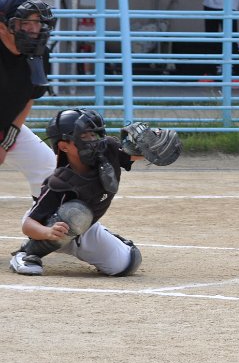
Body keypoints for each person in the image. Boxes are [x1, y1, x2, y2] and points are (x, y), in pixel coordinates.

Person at [9, 109, 181, 276]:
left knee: (128, 262)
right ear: (64, 146)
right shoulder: (60, 182)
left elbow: (132, 154)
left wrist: (150, 146)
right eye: (84, 137)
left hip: (85, 225)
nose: (93, 141)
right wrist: (47, 232)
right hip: (51, 226)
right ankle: (27, 253)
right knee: (76, 213)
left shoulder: (107, 149)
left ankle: (89, 243)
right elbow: (28, 224)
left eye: (93, 135)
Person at [0, 0, 58, 200]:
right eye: (25, 22)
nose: (33, 29)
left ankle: (43, 216)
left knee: (47, 166)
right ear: (2, 27)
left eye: (37, 22)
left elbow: (28, 99)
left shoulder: (38, 54)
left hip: (6, 125)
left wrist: (6, 143)